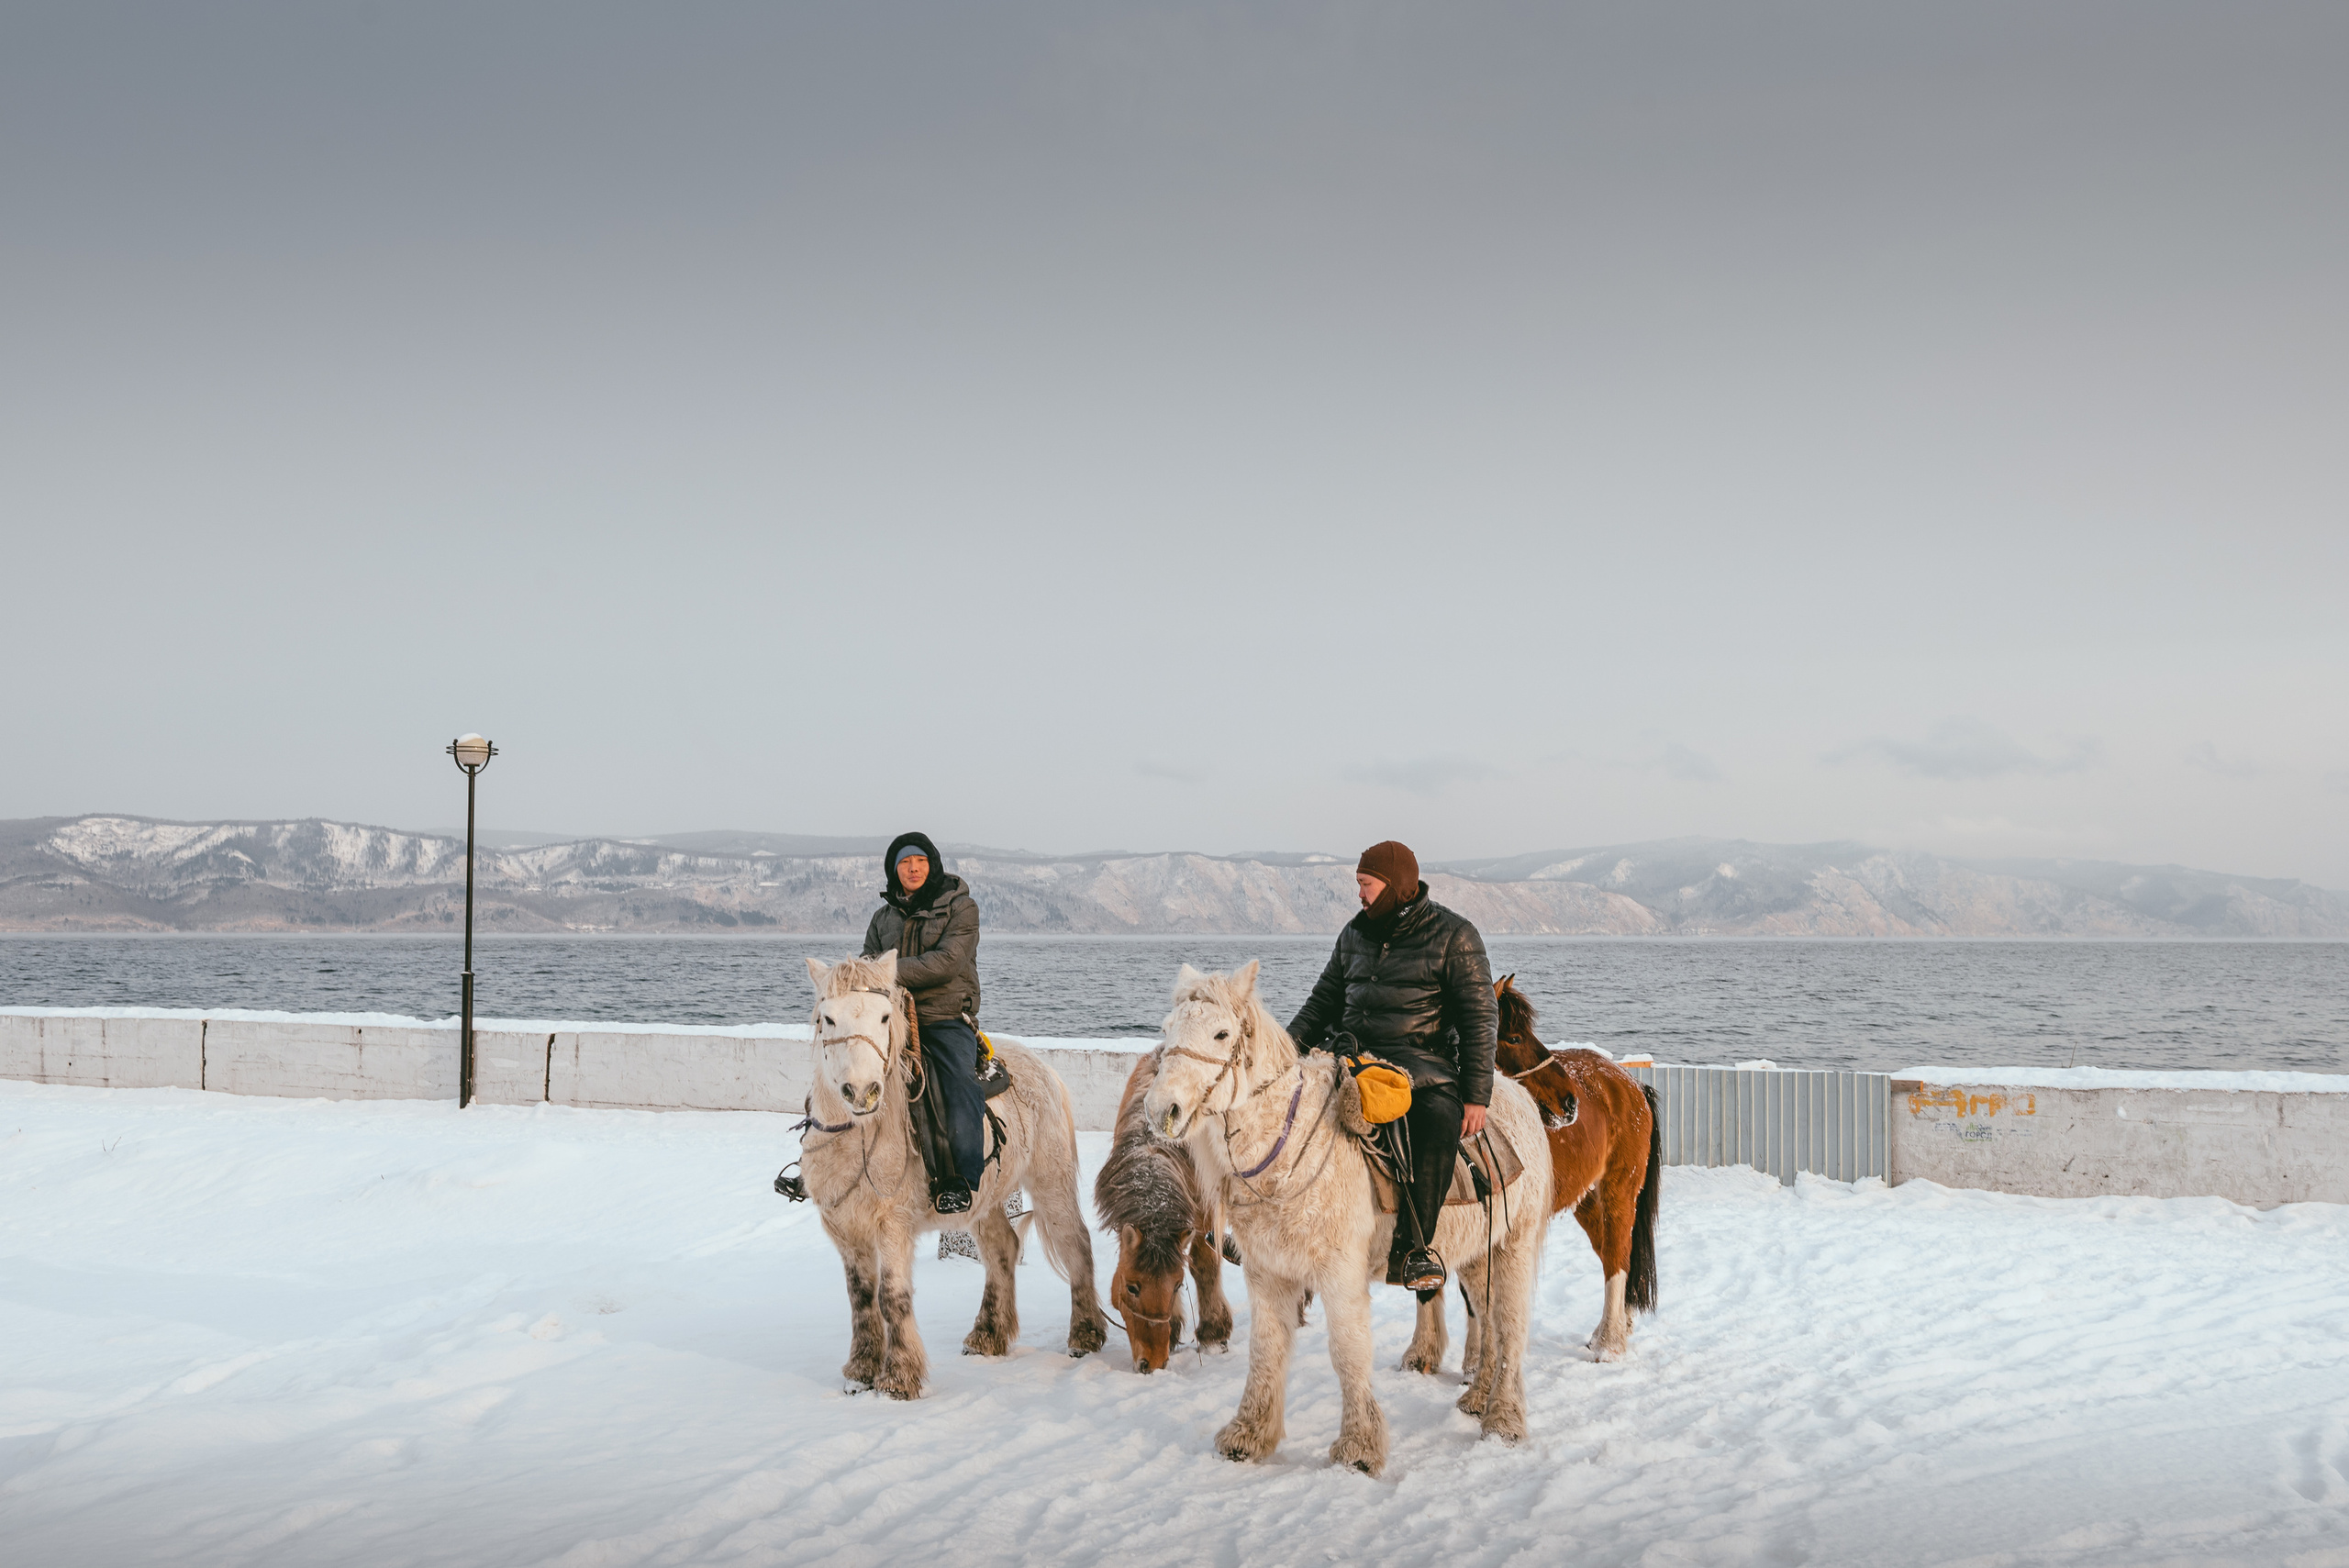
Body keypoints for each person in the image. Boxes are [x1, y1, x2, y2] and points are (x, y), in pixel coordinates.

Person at [1287, 840, 1497, 1296]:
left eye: (1366, 884)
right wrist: (1283, 1053)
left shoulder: (1455, 936)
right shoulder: (1354, 934)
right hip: (1348, 1059)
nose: (1359, 894)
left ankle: (1414, 1248)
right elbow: (1321, 1003)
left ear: (1394, 885)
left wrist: (1476, 1095)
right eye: (1359, 884)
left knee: (1438, 1122)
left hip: (1421, 1068)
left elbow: (1479, 1017)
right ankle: (1271, 1224)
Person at [861, 830, 987, 1215]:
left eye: (920, 861)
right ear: (893, 870)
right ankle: (820, 1157)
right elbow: (867, 961)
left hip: (944, 1015)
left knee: (959, 1080)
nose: (913, 869)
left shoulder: (961, 908)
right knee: (849, 1062)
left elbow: (946, 963)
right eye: (904, 862)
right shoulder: (883, 918)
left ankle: (960, 1179)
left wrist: (884, 971)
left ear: (932, 865)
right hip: (893, 1016)